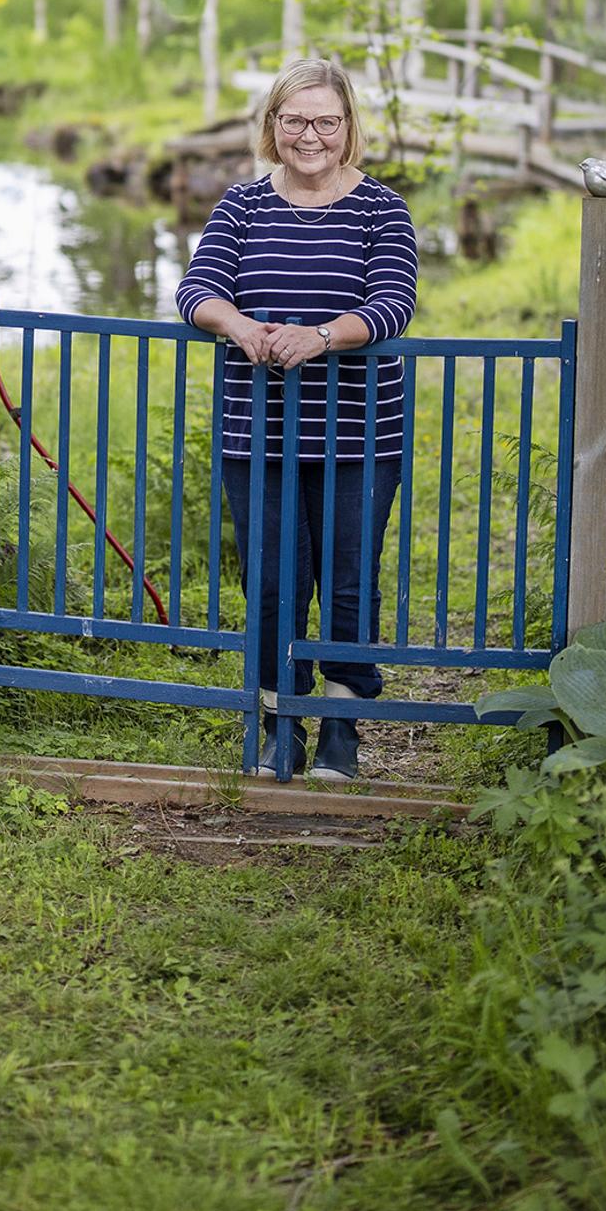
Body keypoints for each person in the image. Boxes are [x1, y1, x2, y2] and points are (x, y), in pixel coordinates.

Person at [174, 57, 418, 780]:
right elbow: (196, 289)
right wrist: (239, 325)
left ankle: (341, 726)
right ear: (272, 125)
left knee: (348, 580)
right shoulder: (242, 204)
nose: (309, 135)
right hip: (259, 434)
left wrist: (321, 336)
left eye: (325, 122)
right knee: (274, 583)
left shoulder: (381, 209)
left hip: (359, 434)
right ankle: (282, 721)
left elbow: (393, 303)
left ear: (348, 127)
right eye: (295, 120)